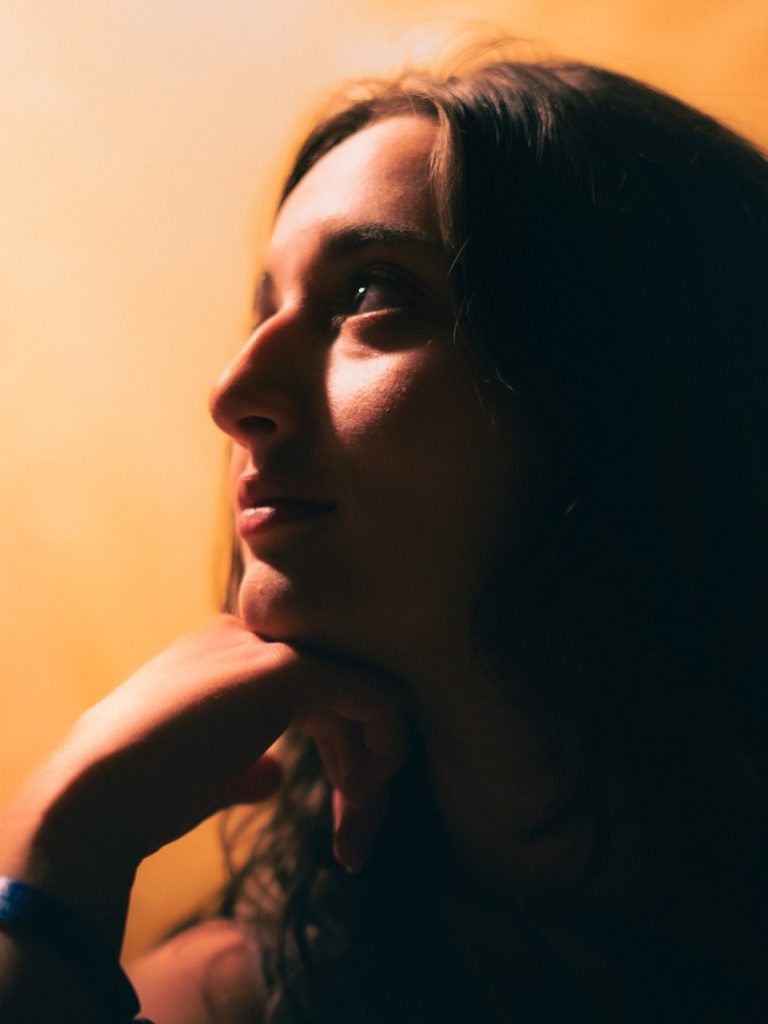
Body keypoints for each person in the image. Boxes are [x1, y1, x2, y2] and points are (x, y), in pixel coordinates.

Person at [1, 54, 768, 1023]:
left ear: (625, 390)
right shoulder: (224, 1000)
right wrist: (66, 840)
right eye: (263, 308)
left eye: (369, 295)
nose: (232, 396)